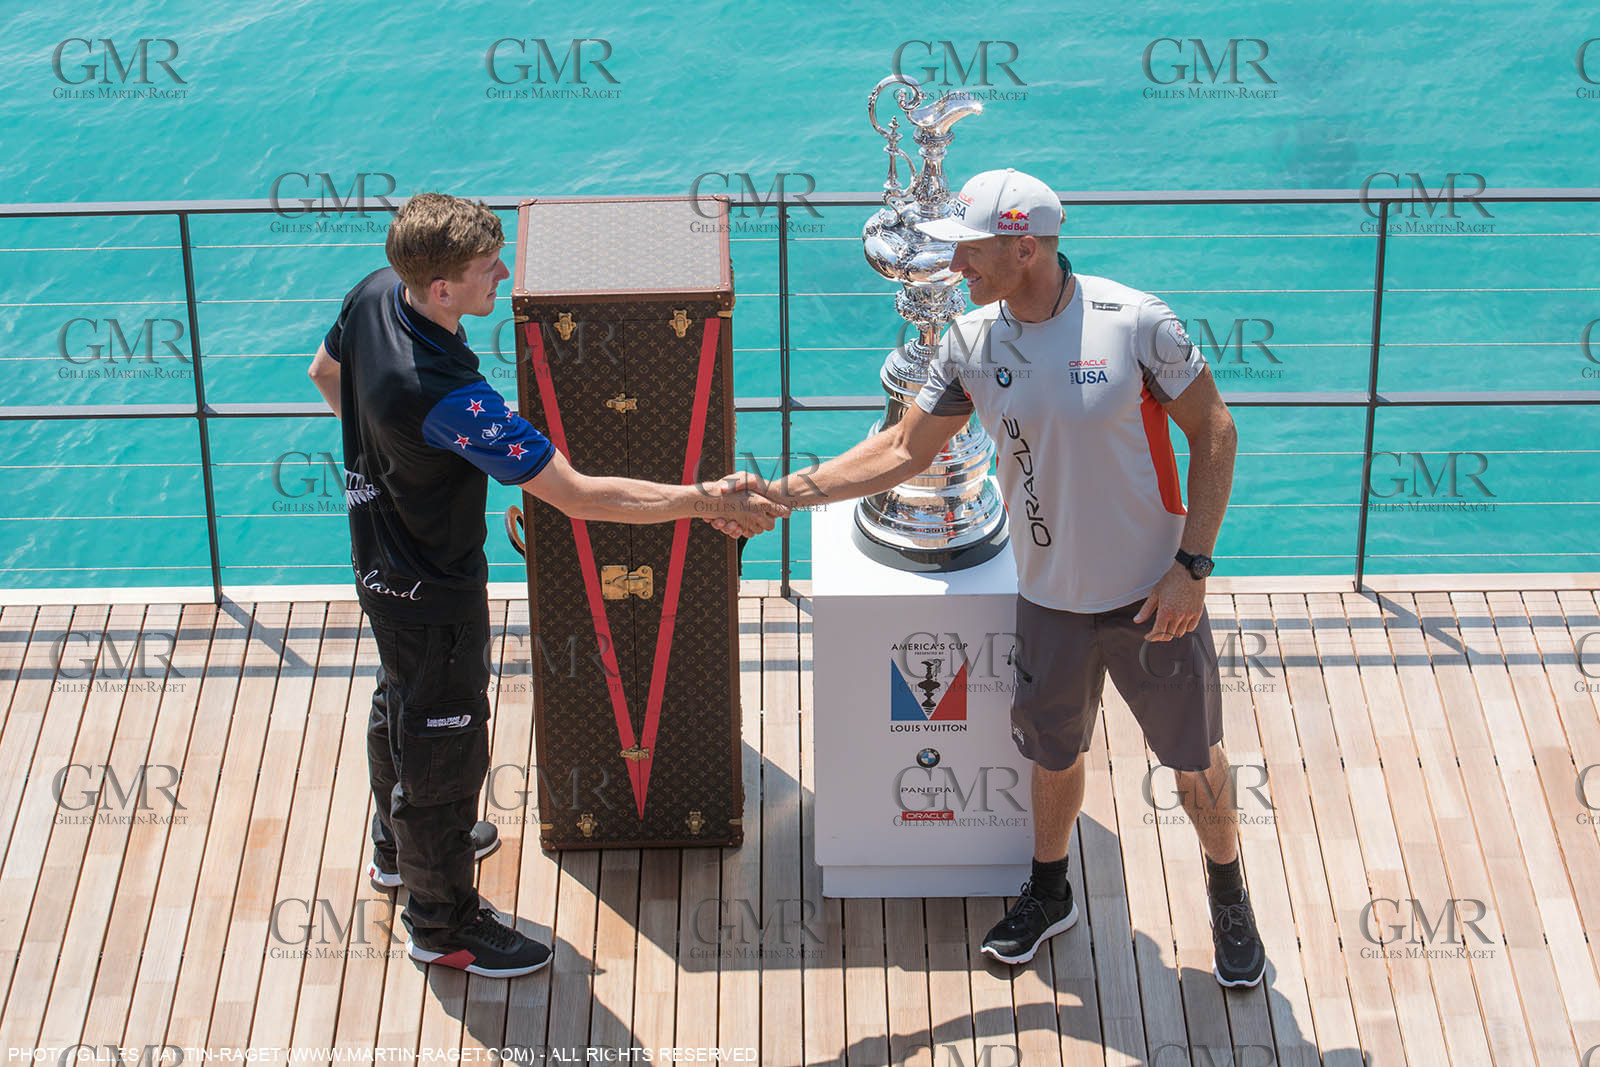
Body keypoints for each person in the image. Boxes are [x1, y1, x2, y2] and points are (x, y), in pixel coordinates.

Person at [718, 168, 1263, 987]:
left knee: (1195, 760)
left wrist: (1193, 567)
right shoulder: (973, 344)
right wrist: (787, 494)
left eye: (969, 253)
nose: (956, 269)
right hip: (1047, 599)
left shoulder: (1138, 324)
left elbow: (1215, 433)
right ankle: (1050, 892)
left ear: (1024, 244)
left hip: (1155, 599)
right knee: (1051, 757)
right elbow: (903, 451)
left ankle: (1229, 893)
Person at [307, 192, 786, 979]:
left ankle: (398, 854)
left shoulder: (372, 295)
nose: (502, 272)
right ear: (440, 291)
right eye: (483, 267)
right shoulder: (446, 397)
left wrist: (398, 464)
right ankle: (442, 922)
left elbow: (325, 371)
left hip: (377, 559)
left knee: (399, 702)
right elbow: (581, 495)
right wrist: (703, 499)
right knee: (445, 753)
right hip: (434, 591)